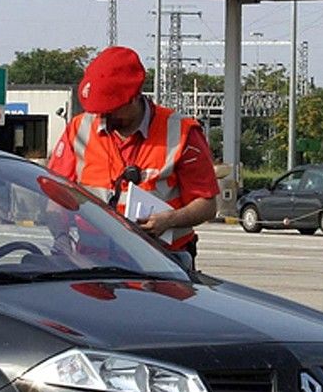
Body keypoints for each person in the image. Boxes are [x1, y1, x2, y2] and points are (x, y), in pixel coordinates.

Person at [48, 46, 218, 265]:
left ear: (134, 96)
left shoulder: (182, 133)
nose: (104, 115)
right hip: (92, 260)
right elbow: (54, 195)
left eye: (111, 108)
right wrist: (61, 239)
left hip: (163, 261)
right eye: (99, 109)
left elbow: (207, 204)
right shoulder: (79, 129)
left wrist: (170, 220)